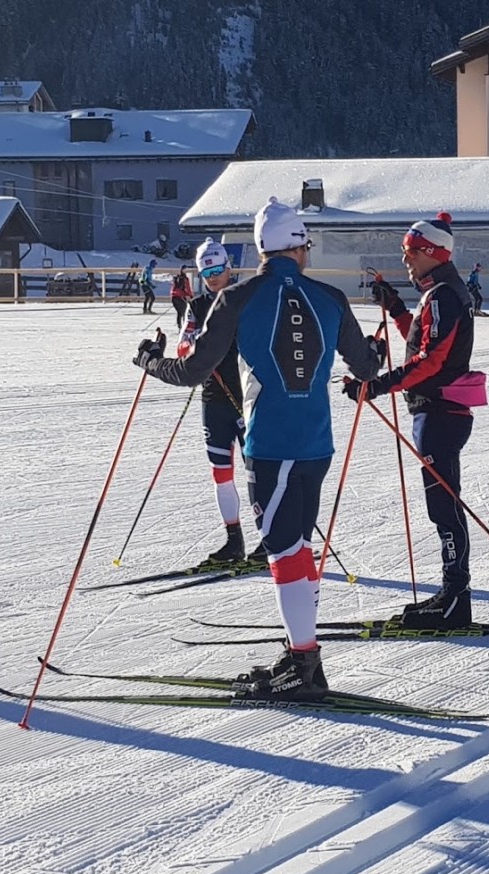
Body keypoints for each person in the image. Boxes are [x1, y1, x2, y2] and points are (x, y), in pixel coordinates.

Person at [137, 197, 382, 699]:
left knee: (284, 549)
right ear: (298, 246)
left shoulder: (238, 297)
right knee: (297, 545)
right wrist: (377, 348)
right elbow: (367, 367)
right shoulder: (330, 296)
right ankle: (300, 654)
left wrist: (148, 362)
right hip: (316, 443)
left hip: (270, 443)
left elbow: (191, 371)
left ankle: (306, 667)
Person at [351, 212, 483, 627]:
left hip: (441, 412)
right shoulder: (437, 292)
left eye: (410, 253)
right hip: (434, 410)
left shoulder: (444, 293)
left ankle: (455, 598)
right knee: (440, 505)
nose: (405, 260)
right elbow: (419, 339)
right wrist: (394, 308)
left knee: (444, 506)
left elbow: (431, 359)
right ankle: (450, 592)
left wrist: (376, 385)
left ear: (430, 252)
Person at [176, 238, 264, 568]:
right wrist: (197, 348)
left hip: (246, 395)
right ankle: (234, 540)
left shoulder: (245, 299)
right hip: (213, 397)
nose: (213, 276)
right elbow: (184, 347)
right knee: (221, 473)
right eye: (206, 270)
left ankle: (271, 539)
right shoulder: (197, 306)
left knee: (258, 470)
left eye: (218, 269)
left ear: (229, 268)